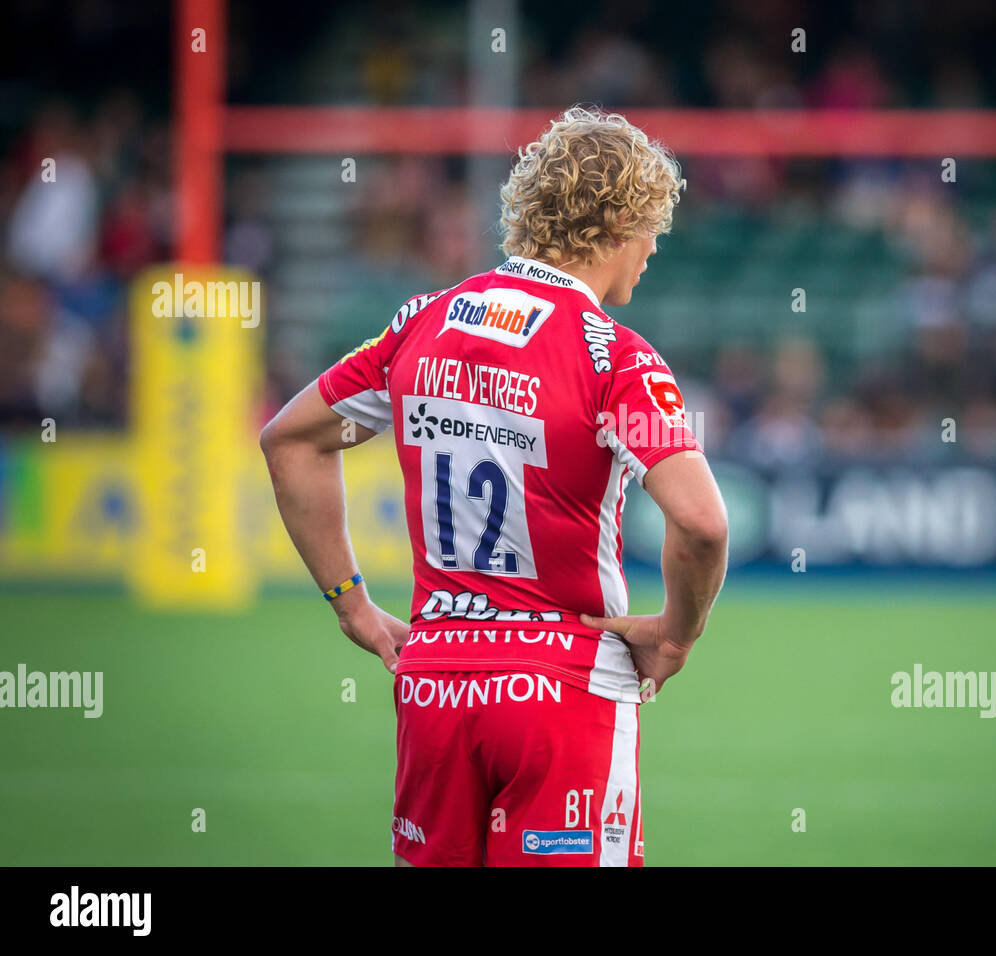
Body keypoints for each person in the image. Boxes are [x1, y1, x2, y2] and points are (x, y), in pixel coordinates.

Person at [260, 107, 728, 866]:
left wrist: (351, 602)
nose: (652, 250)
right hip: (561, 687)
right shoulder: (614, 358)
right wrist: (678, 633)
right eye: (652, 230)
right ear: (616, 227)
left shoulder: (423, 321)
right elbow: (702, 521)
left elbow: (291, 440)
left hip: (434, 685)